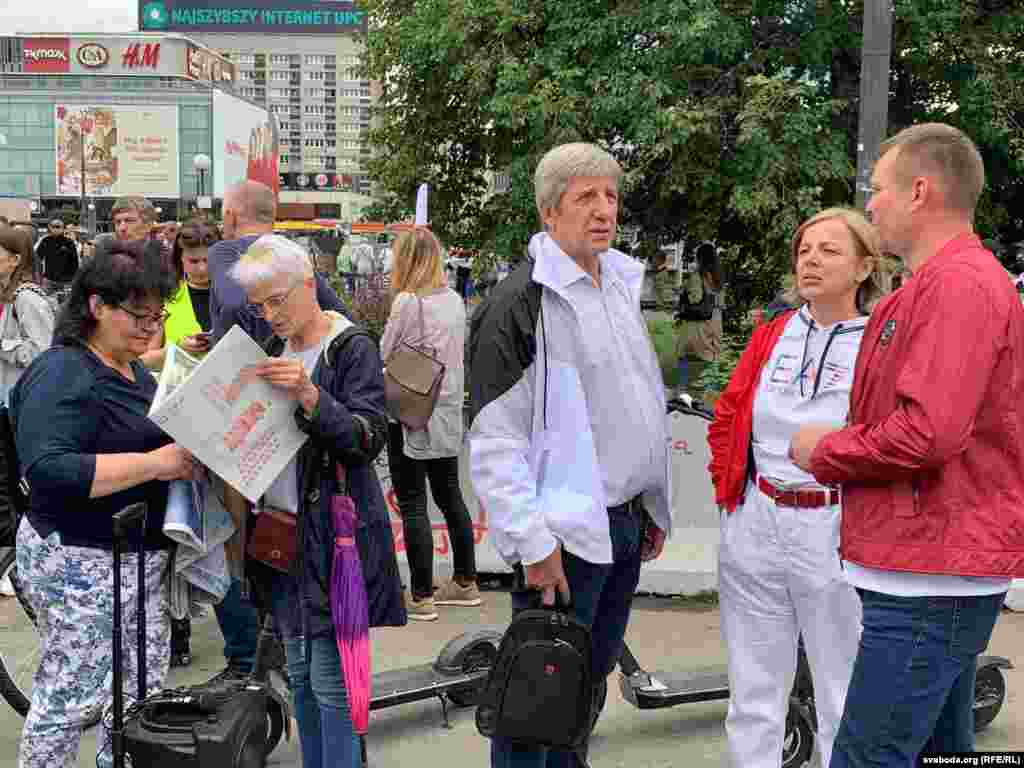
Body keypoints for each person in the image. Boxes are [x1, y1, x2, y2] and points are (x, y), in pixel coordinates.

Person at [789, 123, 1024, 766]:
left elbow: (929, 431)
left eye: (878, 189)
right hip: (928, 566)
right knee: (939, 753)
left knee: (868, 756)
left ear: (919, 191)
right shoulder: (938, 284)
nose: (870, 204)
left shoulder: (959, 286)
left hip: (929, 578)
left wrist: (827, 452)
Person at [468, 142, 672, 767]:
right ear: (549, 211)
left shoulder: (617, 285)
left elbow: (633, 400)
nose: (604, 210)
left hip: (623, 524)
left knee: (582, 695)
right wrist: (533, 544)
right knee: (536, 701)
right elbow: (495, 440)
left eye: (611, 196)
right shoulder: (519, 302)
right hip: (563, 538)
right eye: (586, 197)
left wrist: (651, 503)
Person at [708, 207, 883, 768]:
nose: (811, 260)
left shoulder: (881, 343)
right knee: (753, 694)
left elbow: (894, 435)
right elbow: (729, 414)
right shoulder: (774, 332)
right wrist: (731, 497)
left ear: (864, 268)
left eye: (829, 250)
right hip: (756, 520)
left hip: (835, 528)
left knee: (842, 691)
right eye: (804, 250)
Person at [11, 239, 194, 768]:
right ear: (96, 305)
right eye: (139, 316)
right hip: (80, 560)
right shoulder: (62, 373)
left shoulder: (131, 368)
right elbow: (49, 470)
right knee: (70, 699)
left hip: (138, 561)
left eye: (157, 316)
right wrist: (157, 464)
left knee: (138, 696)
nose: (150, 328)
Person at [231, 234, 404, 768]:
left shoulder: (350, 346)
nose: (270, 314)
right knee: (301, 675)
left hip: (332, 540)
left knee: (333, 683)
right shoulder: (274, 345)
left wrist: (309, 394)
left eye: (276, 300)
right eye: (260, 306)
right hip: (281, 536)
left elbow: (367, 439)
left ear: (308, 283)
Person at [205, 179, 348, 688]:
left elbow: (233, 301)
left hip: (251, 420)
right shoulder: (295, 264)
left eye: (275, 303)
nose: (269, 313)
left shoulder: (227, 254)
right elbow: (337, 314)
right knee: (280, 540)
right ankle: (272, 649)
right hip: (291, 433)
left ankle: (250, 656)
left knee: (239, 537)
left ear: (230, 216)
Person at [380, 227, 478, 620]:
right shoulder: (454, 300)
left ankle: (421, 595)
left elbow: (385, 351)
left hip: (411, 409)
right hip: (448, 408)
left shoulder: (407, 302)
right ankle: (465, 581)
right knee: (450, 495)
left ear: (405, 260)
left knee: (413, 503)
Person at [139, 219, 219, 371]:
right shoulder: (165, 296)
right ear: (180, 257)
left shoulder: (235, 293)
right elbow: (144, 361)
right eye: (193, 261)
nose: (202, 268)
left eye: (208, 260)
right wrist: (177, 351)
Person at [0, 225, 55, 403]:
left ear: (15, 260)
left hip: (23, 401)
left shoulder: (27, 298)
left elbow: (43, 354)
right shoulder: (7, 293)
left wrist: (3, 347)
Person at [675, 241, 723, 396]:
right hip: (715, 321)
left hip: (697, 323)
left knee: (682, 355)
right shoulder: (718, 277)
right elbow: (721, 303)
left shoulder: (697, 276)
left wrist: (684, 291)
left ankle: (682, 391)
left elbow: (695, 299)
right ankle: (712, 393)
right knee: (713, 357)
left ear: (700, 258)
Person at [35, 219, 79, 296]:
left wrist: (73, 279)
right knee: (44, 300)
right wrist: (39, 277)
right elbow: (38, 258)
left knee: (65, 301)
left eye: (58, 227)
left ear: (63, 228)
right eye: (53, 227)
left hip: (66, 281)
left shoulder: (69, 242)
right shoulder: (45, 241)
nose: (56, 229)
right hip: (49, 280)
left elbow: (75, 262)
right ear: (50, 228)